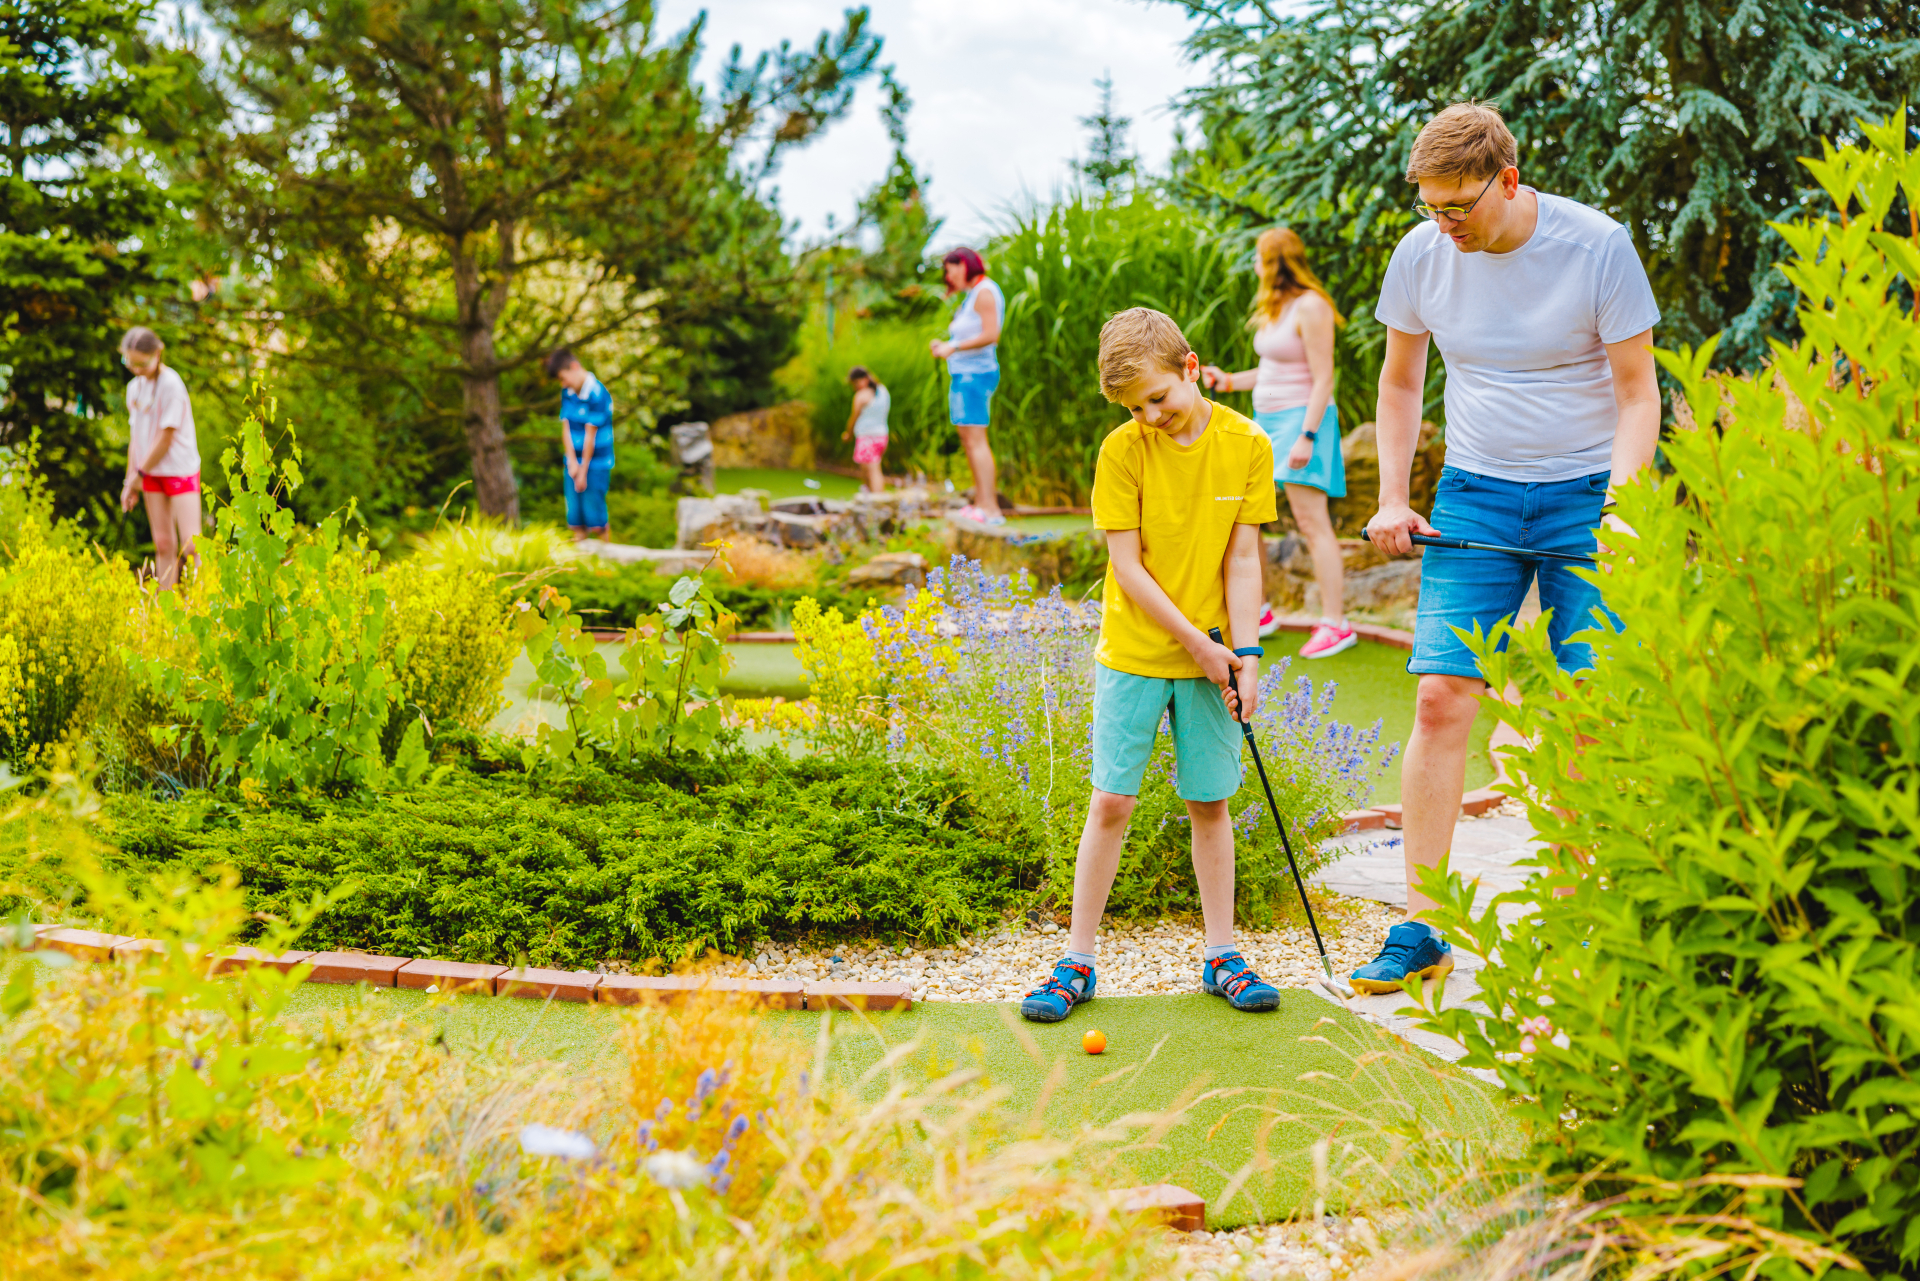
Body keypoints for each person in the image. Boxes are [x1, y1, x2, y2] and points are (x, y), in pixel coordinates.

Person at [1353, 101, 1660, 994]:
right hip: (1477, 495)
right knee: (1444, 699)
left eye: (1458, 208)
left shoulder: (1596, 245)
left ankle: (1582, 910)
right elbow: (1401, 380)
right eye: (1429, 208)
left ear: (1508, 181)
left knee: (1584, 712)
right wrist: (1391, 494)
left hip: (1585, 499)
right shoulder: (1422, 255)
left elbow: (1639, 393)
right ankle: (1424, 922)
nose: (1443, 226)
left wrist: (1623, 508)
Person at [1020, 307, 1284, 1024]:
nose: (1149, 416)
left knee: (1210, 802)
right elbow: (1126, 567)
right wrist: (1199, 646)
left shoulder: (1248, 445)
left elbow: (1241, 558)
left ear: (1191, 367)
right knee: (1112, 801)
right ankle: (1077, 958)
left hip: (1218, 653)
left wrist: (1247, 654)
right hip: (1137, 654)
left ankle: (1223, 954)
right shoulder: (1124, 449)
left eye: (1158, 399)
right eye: (1135, 407)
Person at [1201, 227, 1353, 657]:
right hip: (1264, 424)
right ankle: (1260, 611)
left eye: (1257, 257)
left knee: (1311, 522)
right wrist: (1228, 381)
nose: (1252, 264)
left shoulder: (1311, 306)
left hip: (1304, 423)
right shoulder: (1275, 308)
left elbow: (1324, 376)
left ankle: (1336, 624)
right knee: (1250, 518)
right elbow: (1271, 370)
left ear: (1274, 261)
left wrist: (1307, 435)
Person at [117, 327, 201, 590]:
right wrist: (129, 481)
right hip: (149, 472)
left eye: (141, 363)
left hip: (179, 470)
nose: (135, 368)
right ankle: (165, 614)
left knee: (191, 543)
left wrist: (137, 477)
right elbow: (137, 439)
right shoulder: (134, 388)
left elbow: (165, 440)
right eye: (129, 362)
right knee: (163, 544)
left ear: (158, 354)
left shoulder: (171, 385)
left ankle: (203, 604)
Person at [929, 246, 1005, 525]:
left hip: (976, 375)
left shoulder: (985, 291)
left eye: (949, 271)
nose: (948, 278)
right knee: (969, 442)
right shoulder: (973, 294)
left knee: (976, 441)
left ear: (962, 265)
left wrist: (954, 346)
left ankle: (991, 508)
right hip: (964, 375)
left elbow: (991, 334)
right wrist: (946, 346)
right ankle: (980, 503)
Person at [546, 348, 613, 541]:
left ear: (574, 367)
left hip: (596, 463)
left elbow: (590, 436)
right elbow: (566, 428)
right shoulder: (568, 391)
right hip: (574, 462)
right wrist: (572, 463)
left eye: (563, 377)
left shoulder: (597, 393)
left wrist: (583, 470)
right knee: (575, 516)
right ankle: (580, 563)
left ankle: (608, 559)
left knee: (595, 516)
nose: (563, 383)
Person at [842, 366, 890, 493]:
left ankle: (878, 500)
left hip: (867, 437)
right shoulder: (883, 390)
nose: (855, 387)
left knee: (873, 471)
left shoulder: (862, 396)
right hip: (882, 436)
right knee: (866, 470)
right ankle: (870, 498)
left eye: (856, 383)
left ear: (865, 379)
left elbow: (853, 418)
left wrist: (848, 434)